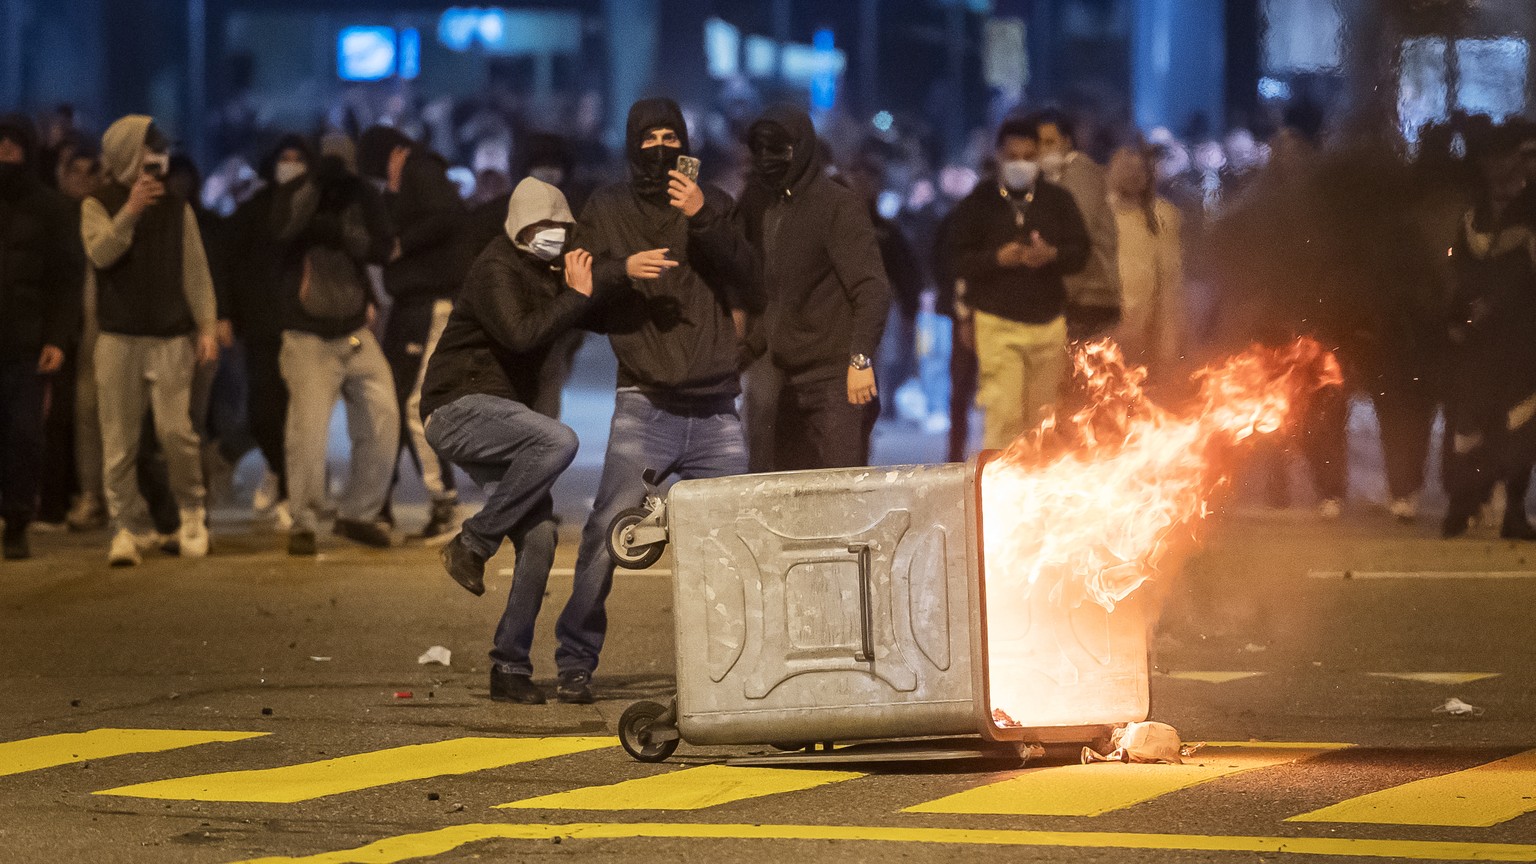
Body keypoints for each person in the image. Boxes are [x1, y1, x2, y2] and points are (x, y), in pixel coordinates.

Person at [564, 97, 760, 703]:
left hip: (715, 409)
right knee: (607, 533)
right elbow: (585, 289)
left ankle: (741, 668)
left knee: (738, 544)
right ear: (631, 144)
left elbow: (753, 278)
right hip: (645, 402)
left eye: (670, 134)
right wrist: (624, 270)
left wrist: (702, 217)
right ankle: (575, 659)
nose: (660, 145)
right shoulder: (607, 207)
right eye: (648, 137)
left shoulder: (714, 203)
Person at [422, 178, 593, 704]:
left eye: (558, 227)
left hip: (500, 414)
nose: (551, 236)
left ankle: (510, 667)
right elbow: (522, 334)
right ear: (519, 229)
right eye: (540, 228)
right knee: (560, 440)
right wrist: (577, 295)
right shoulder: (496, 268)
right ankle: (472, 543)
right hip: (457, 406)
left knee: (540, 535)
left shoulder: (546, 270)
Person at [82, 116, 218, 566]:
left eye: (160, 150)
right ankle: (126, 527)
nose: (156, 157)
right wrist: (131, 210)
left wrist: (206, 327)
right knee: (118, 441)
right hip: (118, 336)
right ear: (125, 153)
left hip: (170, 336)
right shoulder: (97, 204)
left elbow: (195, 272)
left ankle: (192, 514)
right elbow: (101, 253)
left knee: (176, 432)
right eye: (147, 148)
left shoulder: (178, 208)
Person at [736, 104, 892, 470]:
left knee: (842, 495)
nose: (769, 159)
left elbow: (872, 289)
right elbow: (779, 301)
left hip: (836, 383)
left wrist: (860, 359)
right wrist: (746, 350)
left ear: (803, 148)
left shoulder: (838, 205)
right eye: (761, 150)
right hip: (789, 383)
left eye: (780, 149)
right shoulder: (773, 210)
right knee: (791, 501)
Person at [271, 143, 399, 555]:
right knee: (307, 432)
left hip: (354, 329)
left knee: (383, 418)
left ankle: (360, 513)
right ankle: (304, 521)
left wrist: (346, 228)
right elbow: (281, 232)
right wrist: (313, 188)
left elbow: (382, 247)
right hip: (306, 332)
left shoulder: (361, 194)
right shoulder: (297, 190)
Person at [944, 117, 1090, 451]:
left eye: (1029, 155)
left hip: (1047, 323)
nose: (1021, 163)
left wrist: (1051, 254)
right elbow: (955, 259)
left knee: (1043, 422)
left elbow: (1081, 251)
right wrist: (997, 258)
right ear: (998, 155)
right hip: (998, 323)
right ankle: (998, 490)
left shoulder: (1058, 200)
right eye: (1013, 156)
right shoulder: (979, 203)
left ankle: (1039, 493)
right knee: (1004, 415)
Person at [357, 127, 468, 542]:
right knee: (393, 398)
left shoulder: (422, 169)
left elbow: (447, 218)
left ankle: (445, 504)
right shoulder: (403, 180)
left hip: (430, 302)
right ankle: (381, 503)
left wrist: (402, 243)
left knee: (412, 403)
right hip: (411, 304)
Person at [1442, 128, 1536, 540]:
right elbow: (1458, 271)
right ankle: (1463, 505)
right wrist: (1460, 315)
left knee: (1520, 422)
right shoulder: (1471, 217)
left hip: (1520, 338)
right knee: (1468, 424)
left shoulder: (1530, 216)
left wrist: (1493, 306)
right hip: (1479, 340)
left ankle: (1513, 510)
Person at [0, 115, 82, 559]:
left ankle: (16, 522)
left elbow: (66, 279)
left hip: (27, 343)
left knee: (25, 436)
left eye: (14, 145)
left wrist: (56, 338)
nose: (6, 153)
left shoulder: (49, 208)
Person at [222, 135, 312, 525]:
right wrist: (226, 314)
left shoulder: (315, 209)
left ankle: (294, 491)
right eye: (284, 158)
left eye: (298, 158)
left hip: (305, 325)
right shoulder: (252, 212)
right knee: (263, 412)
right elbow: (228, 265)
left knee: (299, 413)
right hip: (260, 325)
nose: (290, 165)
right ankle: (278, 470)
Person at [1034, 109, 1122, 341]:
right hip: (1079, 299)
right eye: (1038, 143)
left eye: (1050, 142)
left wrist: (1057, 297)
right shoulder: (1052, 180)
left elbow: (1077, 237)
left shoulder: (1078, 171)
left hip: (1088, 299)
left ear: (1067, 141)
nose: (1043, 149)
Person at [1106, 145, 1184, 372]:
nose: (1133, 174)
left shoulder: (1163, 216)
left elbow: (1170, 286)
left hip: (1143, 337)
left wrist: (1169, 347)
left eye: (1141, 169)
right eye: (1127, 167)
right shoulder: (1095, 214)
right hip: (1099, 334)